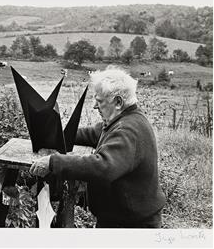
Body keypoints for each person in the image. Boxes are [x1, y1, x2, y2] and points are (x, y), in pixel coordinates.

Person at [29, 66, 166, 228]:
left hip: (132, 225)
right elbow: (93, 134)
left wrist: (53, 162)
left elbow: (102, 167)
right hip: (121, 218)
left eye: (99, 101)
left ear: (118, 102)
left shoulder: (128, 130)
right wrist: (53, 137)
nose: (95, 106)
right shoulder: (123, 121)